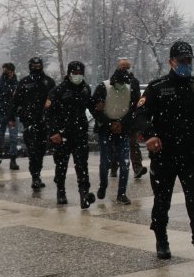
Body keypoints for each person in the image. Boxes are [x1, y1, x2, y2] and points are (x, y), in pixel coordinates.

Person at [138, 41, 194, 268]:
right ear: (171, 62)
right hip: (164, 154)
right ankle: (161, 238)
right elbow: (141, 114)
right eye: (182, 60)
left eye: (188, 60)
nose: (186, 64)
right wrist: (150, 134)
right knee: (162, 200)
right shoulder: (157, 87)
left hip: (191, 153)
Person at [47, 61, 95, 209]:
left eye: (81, 73)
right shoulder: (58, 90)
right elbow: (48, 114)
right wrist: (53, 132)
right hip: (62, 134)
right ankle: (60, 191)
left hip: (80, 133)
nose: (78, 76)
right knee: (61, 165)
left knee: (82, 165)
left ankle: (84, 194)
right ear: (69, 74)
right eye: (75, 73)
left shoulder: (85, 89)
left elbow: (91, 107)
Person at [92, 66, 139, 205]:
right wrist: (109, 124)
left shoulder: (130, 87)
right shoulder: (103, 87)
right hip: (105, 130)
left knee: (124, 162)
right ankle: (103, 185)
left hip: (123, 130)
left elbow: (134, 109)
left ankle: (122, 193)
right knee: (105, 161)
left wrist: (121, 124)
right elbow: (95, 108)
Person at [10, 56, 56, 189]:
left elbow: (55, 100)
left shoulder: (48, 82)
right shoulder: (24, 82)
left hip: (44, 122)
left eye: (38, 66)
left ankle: (38, 173)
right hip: (29, 122)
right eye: (34, 66)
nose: (36, 68)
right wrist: (12, 117)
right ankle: (35, 176)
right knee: (33, 150)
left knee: (41, 151)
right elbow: (15, 101)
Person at [115, 58, 148, 180]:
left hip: (131, 118)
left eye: (127, 68)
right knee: (118, 145)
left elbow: (138, 99)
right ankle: (114, 166)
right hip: (118, 117)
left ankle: (137, 168)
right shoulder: (115, 81)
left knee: (133, 144)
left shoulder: (134, 82)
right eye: (123, 68)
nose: (125, 70)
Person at [0, 62, 20, 169]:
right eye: (4, 70)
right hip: (0, 114)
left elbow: (20, 100)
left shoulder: (17, 84)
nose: (5, 72)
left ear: (12, 71)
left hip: (13, 115)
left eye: (7, 70)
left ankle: (13, 159)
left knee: (13, 138)